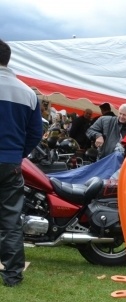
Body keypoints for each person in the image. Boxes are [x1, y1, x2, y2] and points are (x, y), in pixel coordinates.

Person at [0, 39, 44, 287]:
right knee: (10, 219)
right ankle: (12, 274)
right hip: (11, 161)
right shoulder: (27, 92)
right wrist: (18, 153)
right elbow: (36, 132)